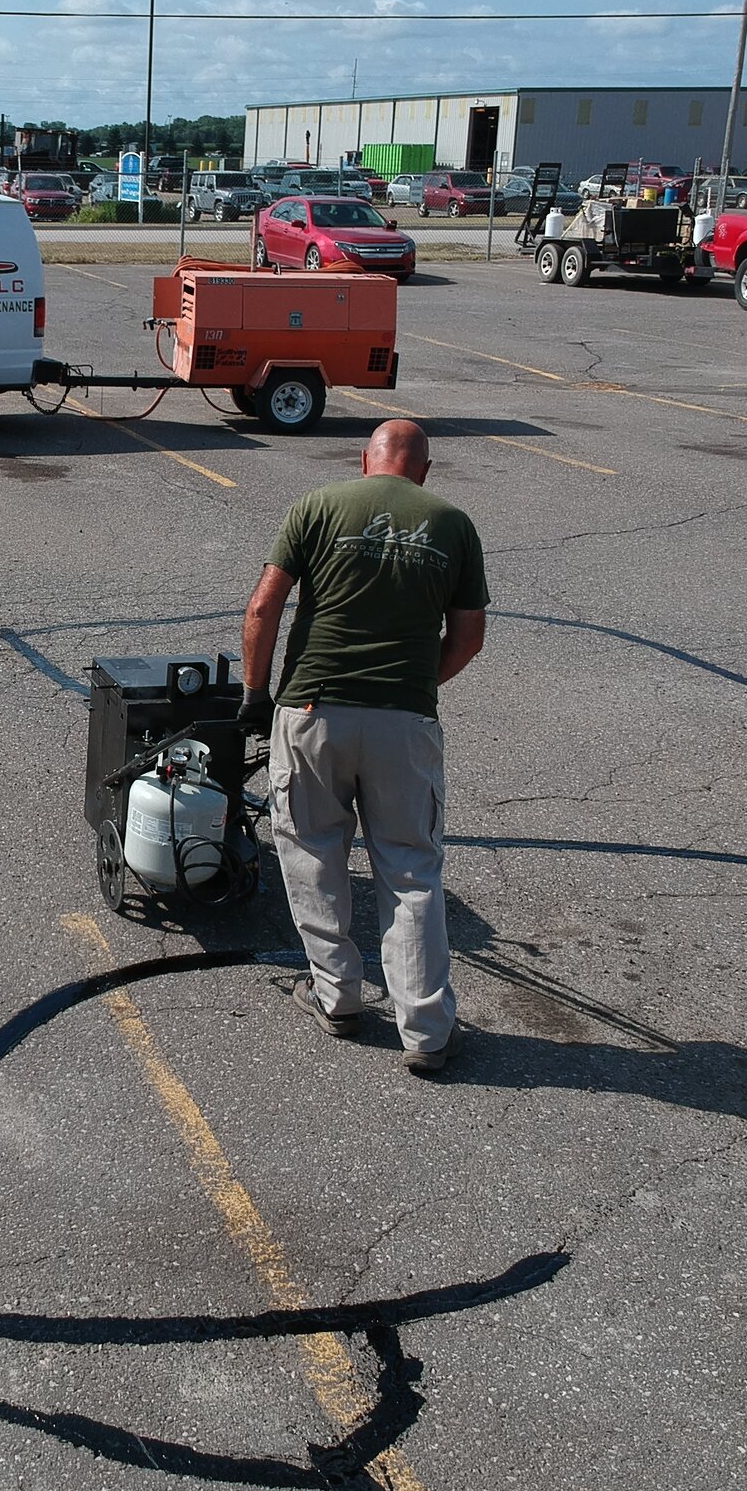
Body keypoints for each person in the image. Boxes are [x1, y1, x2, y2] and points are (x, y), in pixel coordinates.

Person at [236, 419, 489, 1074]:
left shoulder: (318, 506)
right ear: (424, 471)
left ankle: (338, 997)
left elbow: (264, 607)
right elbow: (467, 638)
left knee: (313, 852)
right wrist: (407, 687)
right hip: (403, 721)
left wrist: (256, 694)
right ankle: (428, 1032)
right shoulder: (453, 524)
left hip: (314, 706)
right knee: (410, 870)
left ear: (364, 460)